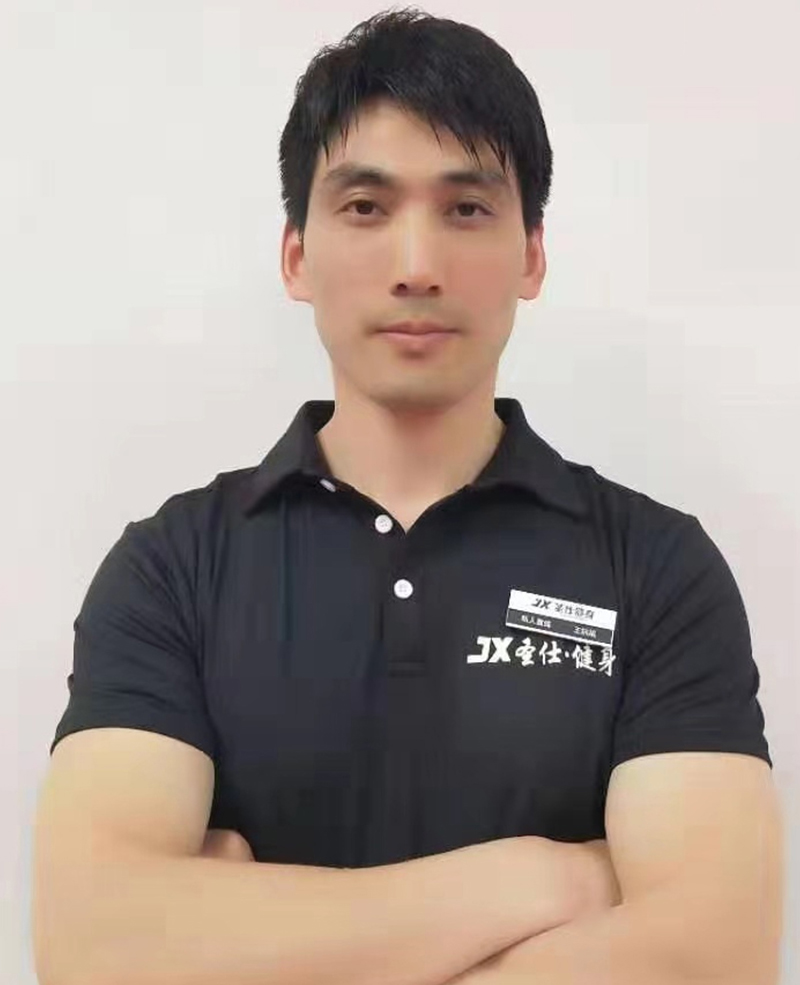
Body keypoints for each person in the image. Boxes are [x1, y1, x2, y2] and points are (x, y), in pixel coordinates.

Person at [32, 8, 783, 985]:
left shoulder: (655, 567)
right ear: (296, 255)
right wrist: (544, 879)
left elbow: (711, 958)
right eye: (365, 207)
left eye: (466, 209)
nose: (417, 266)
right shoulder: (175, 566)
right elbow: (94, 947)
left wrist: (237, 937)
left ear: (531, 254)